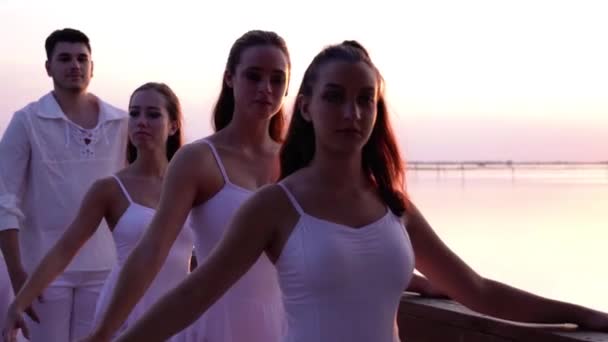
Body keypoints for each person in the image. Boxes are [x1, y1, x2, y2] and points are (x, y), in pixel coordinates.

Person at [111, 40, 608, 342]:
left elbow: (476, 291)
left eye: (364, 100)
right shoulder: (276, 206)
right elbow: (195, 293)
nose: (351, 114)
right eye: (334, 98)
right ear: (304, 107)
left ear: (376, 110)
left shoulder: (394, 206)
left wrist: (584, 314)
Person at [83, 30, 292, 342]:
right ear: (230, 78)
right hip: (216, 325)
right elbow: (152, 250)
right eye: (253, 76)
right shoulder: (198, 159)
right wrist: (105, 331)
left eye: (277, 79)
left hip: (285, 325)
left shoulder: (297, 161)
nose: (265, 88)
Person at [2, 83, 196, 342]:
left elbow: (204, 252)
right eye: (134, 113)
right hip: (123, 313)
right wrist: (19, 302)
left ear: (173, 125)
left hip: (177, 311)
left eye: (153, 114)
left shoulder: (192, 183)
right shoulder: (110, 189)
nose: (141, 122)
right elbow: (65, 249)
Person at [0, 28, 127, 342]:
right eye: (65, 58)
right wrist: (18, 275)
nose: (75, 66)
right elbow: (4, 199)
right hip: (43, 270)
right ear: (48, 67)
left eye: (82, 59)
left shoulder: (121, 122)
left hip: (106, 268)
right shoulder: (26, 121)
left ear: (92, 67)